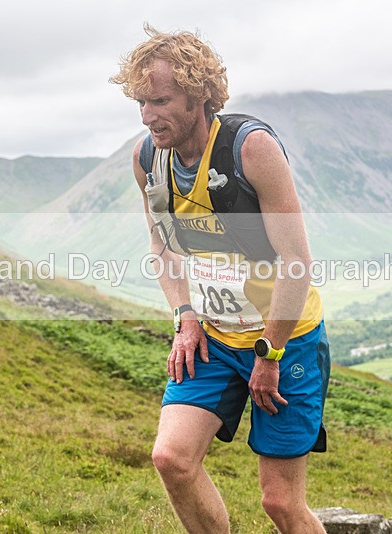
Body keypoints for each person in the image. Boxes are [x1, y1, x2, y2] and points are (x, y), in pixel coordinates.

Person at [110, 26, 330, 533]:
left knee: (280, 503)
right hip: (211, 336)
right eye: (141, 103)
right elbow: (162, 247)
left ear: (200, 94)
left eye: (161, 100)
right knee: (172, 459)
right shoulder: (148, 160)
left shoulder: (249, 149)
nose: (148, 116)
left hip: (284, 339)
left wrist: (269, 352)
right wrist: (185, 316)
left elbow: (296, 260)